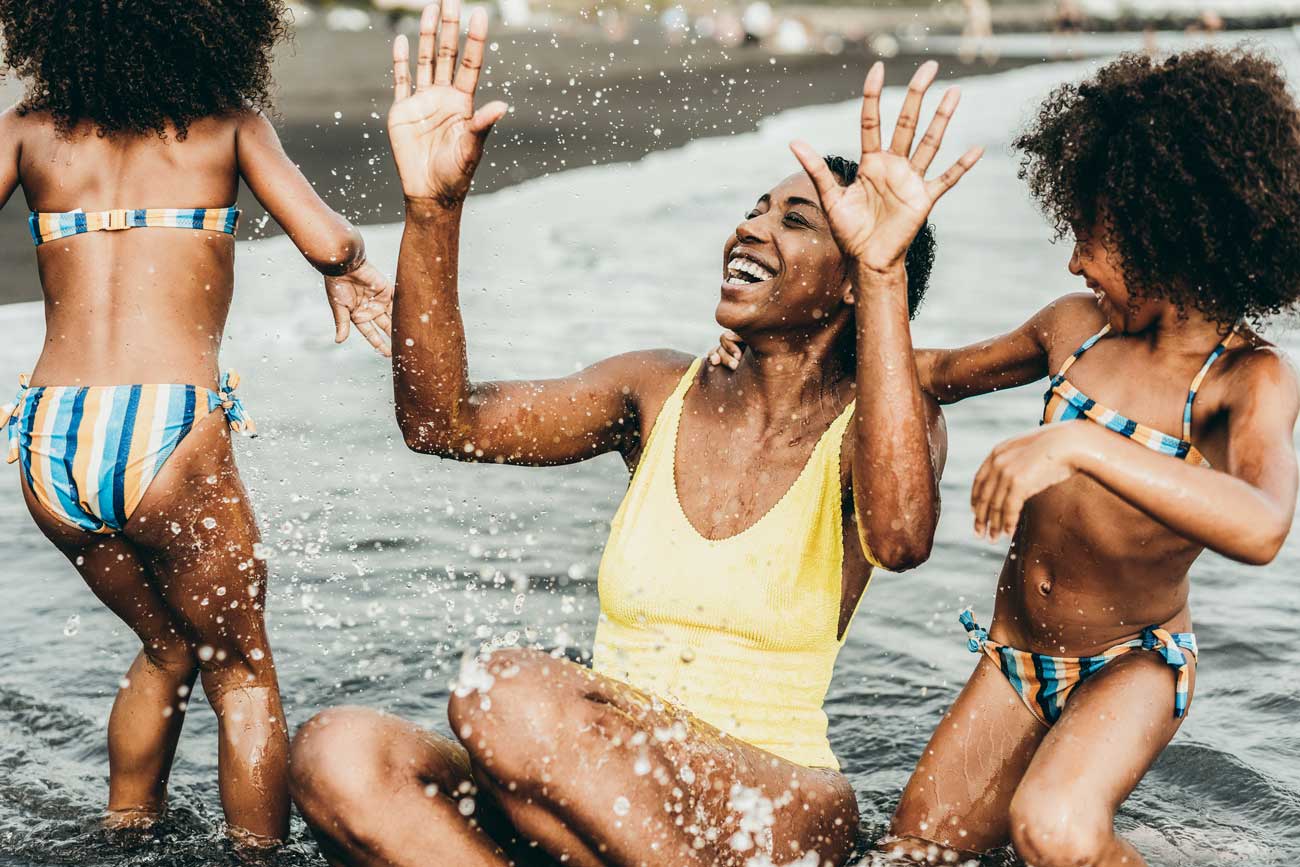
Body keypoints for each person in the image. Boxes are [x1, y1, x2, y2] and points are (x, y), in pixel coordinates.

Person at [286, 3, 981, 865]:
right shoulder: (654, 390)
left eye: (796, 222)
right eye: (756, 209)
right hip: (607, 786)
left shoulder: (881, 424)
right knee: (338, 751)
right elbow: (441, 422)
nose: (752, 228)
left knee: (502, 690)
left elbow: (902, 537)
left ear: (851, 284)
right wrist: (434, 208)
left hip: (777, 800)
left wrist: (882, 274)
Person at [715, 46, 1300, 867]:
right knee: (908, 853)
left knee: (1054, 829)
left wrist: (1079, 444)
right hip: (1016, 661)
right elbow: (931, 374)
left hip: (1132, 662)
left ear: (1166, 232)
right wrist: (779, 354)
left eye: (1095, 237)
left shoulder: (1246, 380)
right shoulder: (1074, 325)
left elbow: (1264, 523)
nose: (1075, 260)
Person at [0, 0, 393, 849]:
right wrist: (350, 271)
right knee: (242, 670)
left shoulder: (27, 131)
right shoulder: (227, 126)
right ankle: (257, 854)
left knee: (167, 646)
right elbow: (329, 242)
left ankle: (126, 829)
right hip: (166, 430)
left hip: (51, 435)